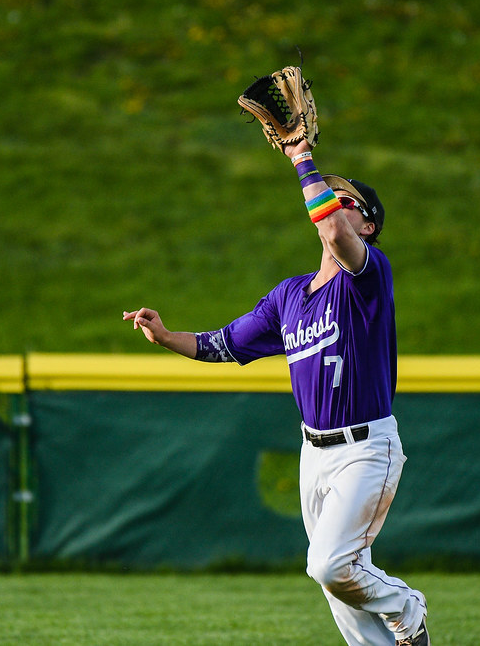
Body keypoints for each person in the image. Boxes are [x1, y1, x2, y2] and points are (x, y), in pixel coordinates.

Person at [122, 138, 429, 646]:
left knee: (330, 565)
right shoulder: (289, 296)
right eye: (327, 197)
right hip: (314, 452)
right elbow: (224, 344)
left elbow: (332, 229)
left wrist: (301, 158)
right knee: (340, 590)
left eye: (343, 200)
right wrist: (167, 336)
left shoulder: (368, 276)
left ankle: (407, 607)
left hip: (366, 448)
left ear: (368, 226)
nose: (331, 205)